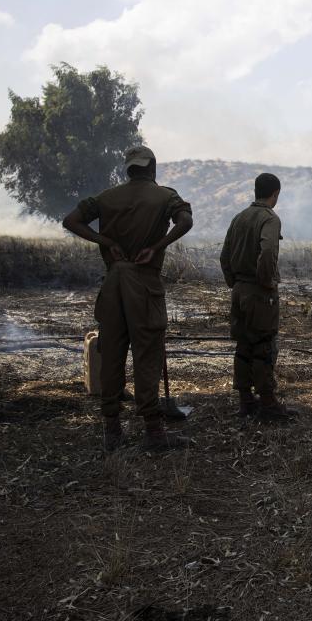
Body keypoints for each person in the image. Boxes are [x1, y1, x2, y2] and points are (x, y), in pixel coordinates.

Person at [62, 146, 193, 452]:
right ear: (153, 168)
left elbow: (71, 220)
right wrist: (157, 246)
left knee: (111, 354)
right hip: (143, 282)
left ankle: (111, 430)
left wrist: (105, 240)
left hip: (113, 283)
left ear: (128, 169)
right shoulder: (165, 196)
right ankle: (154, 433)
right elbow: (185, 222)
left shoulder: (106, 197)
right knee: (147, 355)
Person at [219, 173, 294, 421]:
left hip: (239, 290)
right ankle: (268, 403)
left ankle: (246, 401)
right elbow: (269, 250)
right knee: (263, 345)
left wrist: (234, 282)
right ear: (276, 194)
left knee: (243, 345)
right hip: (259, 292)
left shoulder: (238, 218)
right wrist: (265, 282)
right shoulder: (269, 218)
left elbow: (224, 256)